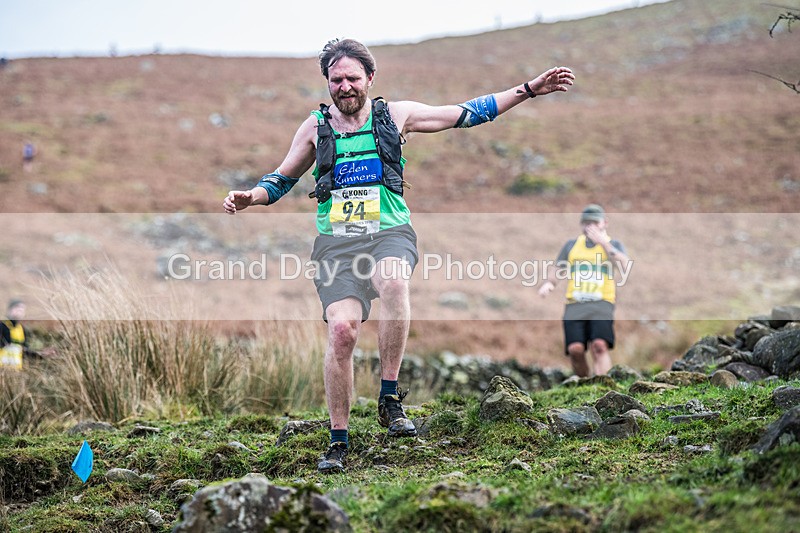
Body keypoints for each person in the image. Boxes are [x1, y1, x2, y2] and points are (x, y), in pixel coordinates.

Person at [224, 38, 575, 472]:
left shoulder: (396, 115)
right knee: (342, 333)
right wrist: (251, 197)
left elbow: (466, 113)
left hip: (390, 232)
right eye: (337, 80)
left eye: (353, 78)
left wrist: (527, 89)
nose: (345, 86)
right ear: (327, 83)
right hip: (337, 244)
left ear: (370, 78)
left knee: (391, 281)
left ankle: (389, 397)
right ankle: (338, 441)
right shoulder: (315, 128)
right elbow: (280, 179)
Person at [538, 204, 630, 378]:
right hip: (575, 304)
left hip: (602, 303)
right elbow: (558, 268)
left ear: (604, 223)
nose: (590, 226)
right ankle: (583, 384)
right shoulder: (571, 245)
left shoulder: (613, 245)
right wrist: (549, 283)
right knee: (575, 349)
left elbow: (625, 265)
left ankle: (603, 385)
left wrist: (603, 243)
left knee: (599, 346)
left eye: (595, 222)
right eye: (586, 222)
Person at [1, 299, 34, 370]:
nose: (20, 311)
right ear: (9, 310)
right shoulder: (2, 325)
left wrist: (41, 354)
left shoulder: (22, 329)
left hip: (15, 371)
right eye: (17, 308)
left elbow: (25, 351)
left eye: (22, 309)